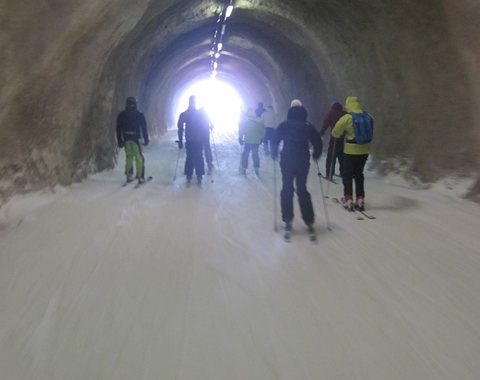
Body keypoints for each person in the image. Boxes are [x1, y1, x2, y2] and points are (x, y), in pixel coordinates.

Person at [271, 99, 323, 233]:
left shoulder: (284, 125)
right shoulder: (308, 126)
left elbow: (275, 139)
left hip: (287, 159)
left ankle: (287, 218)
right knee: (302, 188)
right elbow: (317, 141)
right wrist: (316, 154)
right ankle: (309, 219)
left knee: (287, 187)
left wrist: (274, 152)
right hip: (302, 160)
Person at [332, 96, 373, 211]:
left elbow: (336, 131)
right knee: (359, 174)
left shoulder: (347, 118)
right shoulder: (368, 116)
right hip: (365, 150)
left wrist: (336, 134)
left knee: (347, 174)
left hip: (351, 150)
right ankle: (360, 199)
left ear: (348, 105)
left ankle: (348, 199)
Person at [116, 96, 149, 184]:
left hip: (126, 138)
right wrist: (146, 139)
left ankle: (129, 175)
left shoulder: (121, 115)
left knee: (129, 157)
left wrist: (120, 141)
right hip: (136, 138)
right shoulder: (139, 115)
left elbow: (118, 128)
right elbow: (144, 128)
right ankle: (141, 176)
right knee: (139, 157)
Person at [177, 95, 209, 185]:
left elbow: (180, 127)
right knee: (198, 156)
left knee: (190, 157)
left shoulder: (185, 114)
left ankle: (189, 174)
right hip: (198, 139)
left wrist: (180, 140)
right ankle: (199, 175)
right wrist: (205, 138)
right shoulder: (199, 114)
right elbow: (204, 126)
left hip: (190, 139)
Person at [320, 101, 347, 180]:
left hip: (334, 136)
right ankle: (343, 172)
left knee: (331, 155)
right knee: (341, 155)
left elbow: (326, 122)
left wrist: (322, 131)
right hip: (342, 137)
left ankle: (329, 173)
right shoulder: (345, 113)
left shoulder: (331, 112)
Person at [238, 108, 266, 175]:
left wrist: (240, 138)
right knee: (255, 154)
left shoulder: (245, 121)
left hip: (248, 141)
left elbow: (242, 130)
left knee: (245, 154)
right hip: (256, 141)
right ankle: (256, 168)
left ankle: (244, 168)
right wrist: (262, 138)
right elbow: (262, 130)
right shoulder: (259, 121)